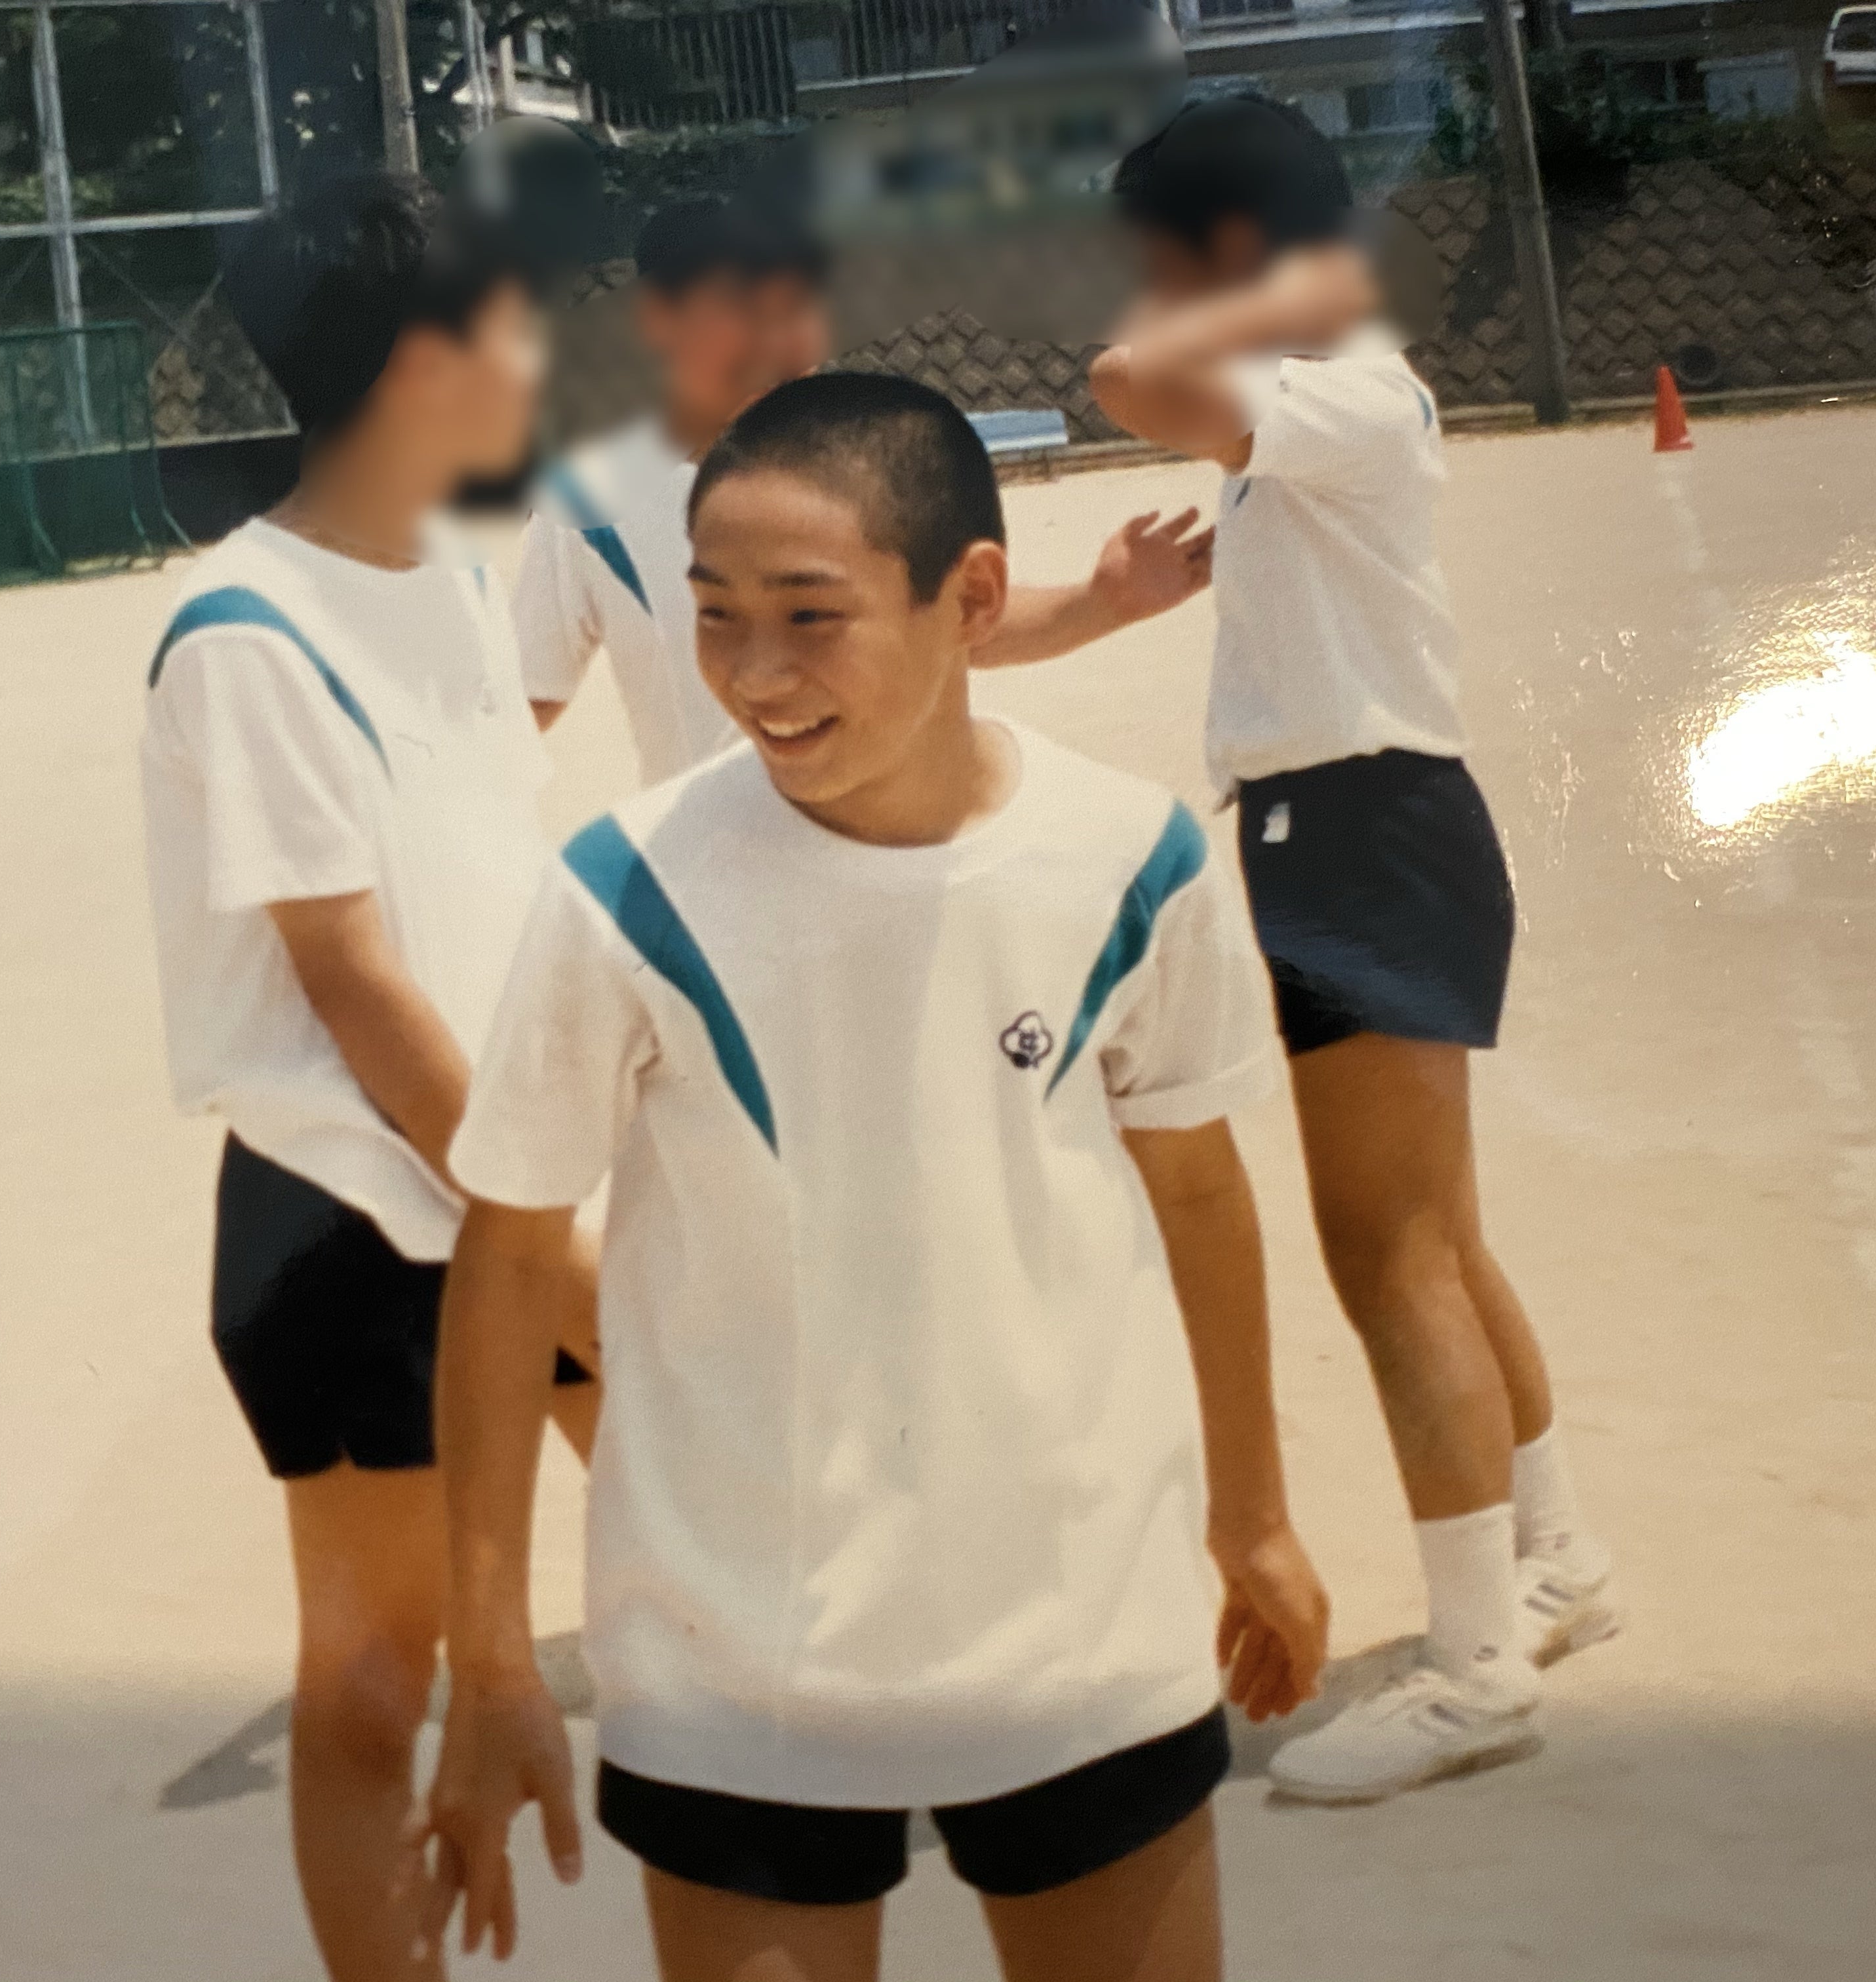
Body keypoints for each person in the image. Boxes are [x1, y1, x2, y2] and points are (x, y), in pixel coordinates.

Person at [415, 374, 1329, 1982]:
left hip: (1079, 1624)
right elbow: (505, 1252)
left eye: (809, 617)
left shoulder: (1133, 859)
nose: (753, 676)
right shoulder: (622, 894)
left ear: (970, 598)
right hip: (737, 1659)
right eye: (714, 615)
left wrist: (1254, 1520)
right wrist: (488, 1646)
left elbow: (1200, 1193)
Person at [1088, 98, 1617, 1808]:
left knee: (1386, 1257)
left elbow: (1125, 376)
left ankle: (1475, 1672)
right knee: (1436, 1240)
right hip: (1371, 830)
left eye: (1173, 261)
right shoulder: (1335, 387)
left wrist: (1245, 296)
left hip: (1363, 835)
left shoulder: (1340, 384)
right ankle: (1553, 1559)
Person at [137, 171, 600, 1982]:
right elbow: (356, 987)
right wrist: (542, 1234)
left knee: (699, 1585)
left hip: (517, 1183)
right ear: (418, 364)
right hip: (360, 1218)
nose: (540, 359)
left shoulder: (463, 589)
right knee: (368, 1680)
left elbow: (497, 905)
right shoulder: (243, 632)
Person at [516, 194, 1217, 789]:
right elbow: (526, 697)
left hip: (902, 850)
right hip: (710, 872)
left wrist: (1102, 601)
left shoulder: (882, 458)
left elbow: (959, 627)